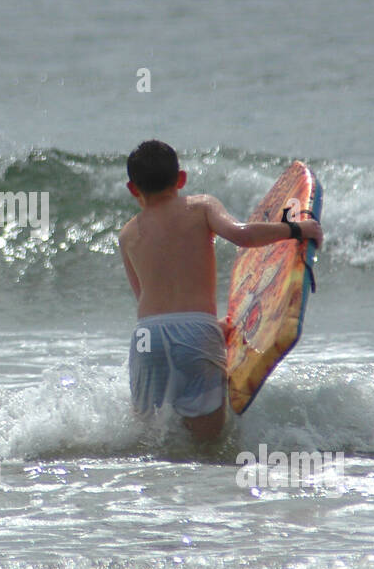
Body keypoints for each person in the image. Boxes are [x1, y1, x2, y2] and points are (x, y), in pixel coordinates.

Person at [119, 140, 323, 440]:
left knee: (149, 437)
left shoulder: (127, 234)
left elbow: (146, 298)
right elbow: (242, 235)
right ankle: (209, 484)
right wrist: (296, 229)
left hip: (147, 337)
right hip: (196, 334)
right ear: (181, 179)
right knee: (209, 442)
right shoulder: (200, 207)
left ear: (133, 189)